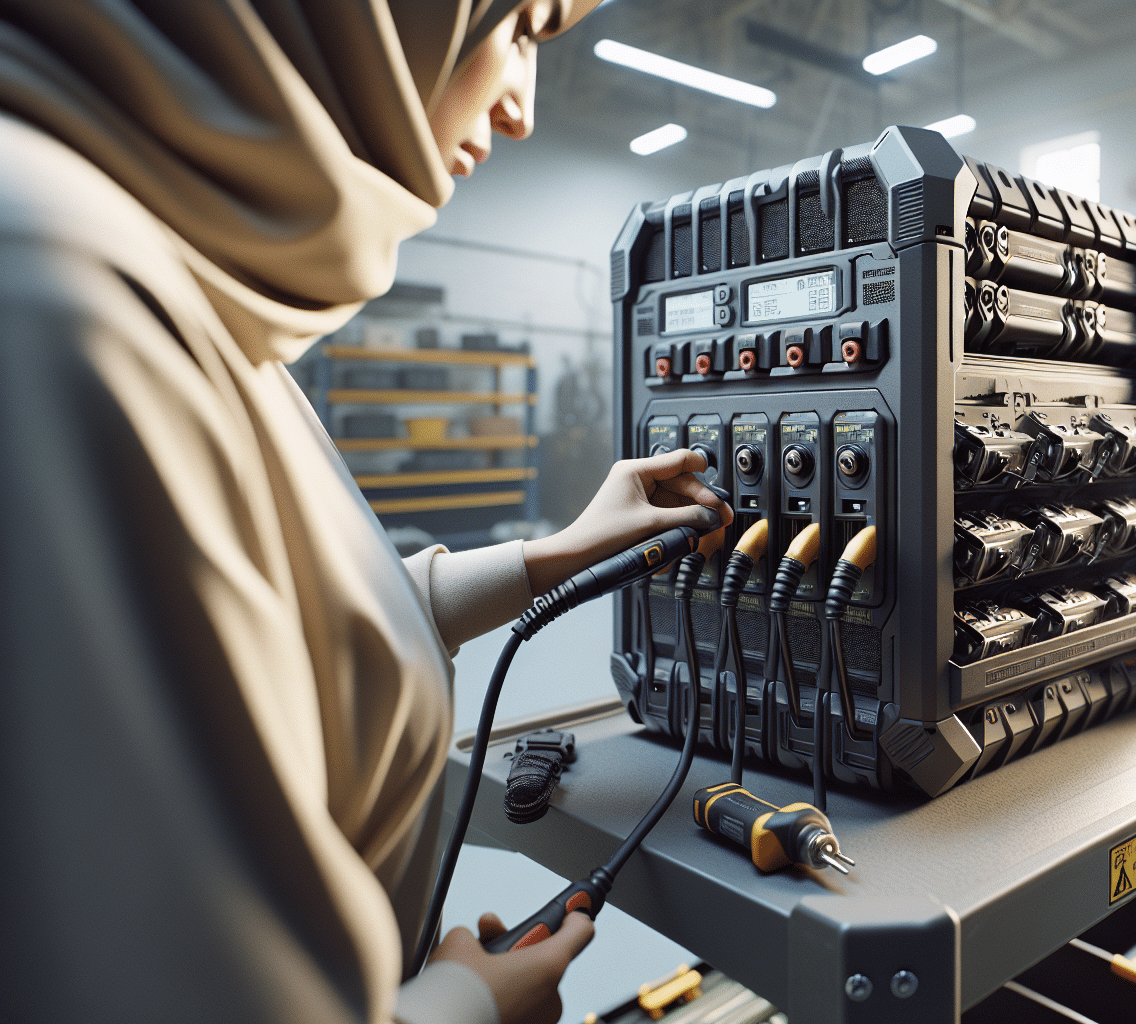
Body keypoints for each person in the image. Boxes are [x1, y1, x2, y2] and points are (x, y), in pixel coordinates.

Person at [0, 2, 729, 1022]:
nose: (521, 107)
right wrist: (467, 1004)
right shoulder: (63, 292)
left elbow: (284, 627)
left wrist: (551, 557)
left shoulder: (170, 276)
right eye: (520, 27)